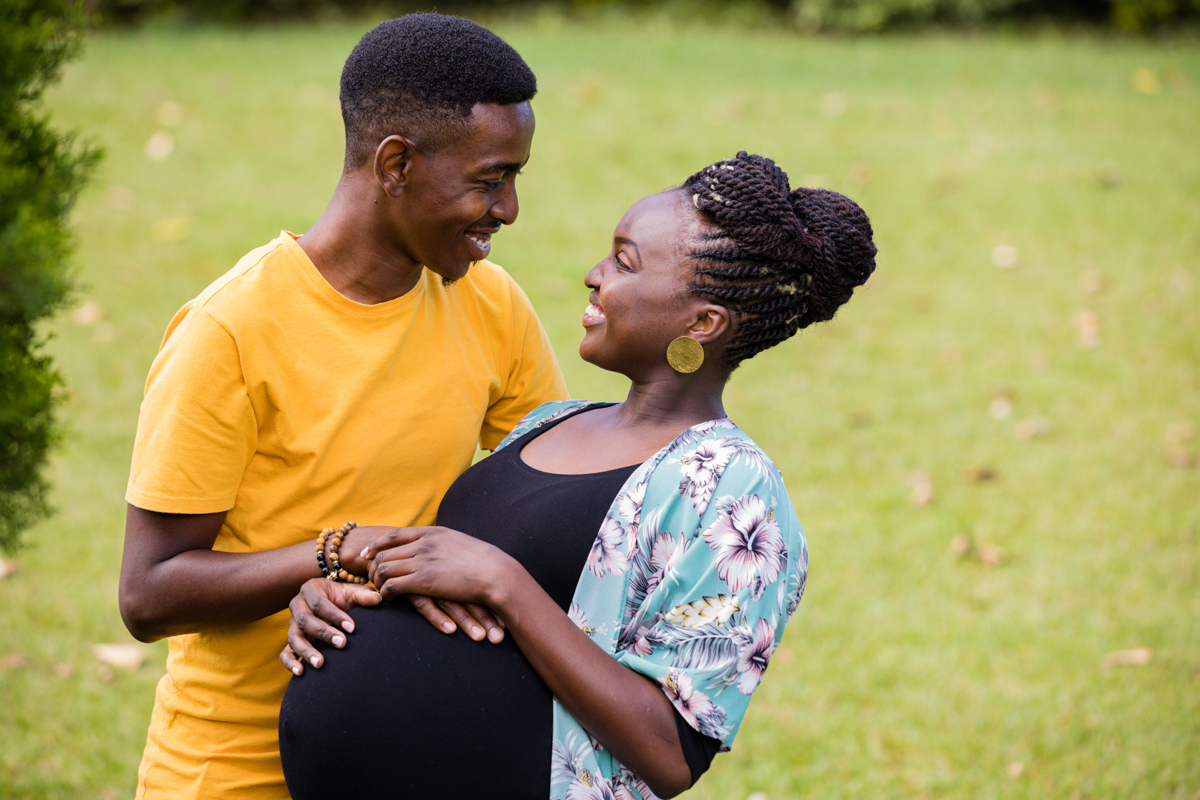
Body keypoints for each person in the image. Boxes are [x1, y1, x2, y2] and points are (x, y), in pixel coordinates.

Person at [277, 152, 877, 799]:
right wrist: (344, 595)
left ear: (701, 323)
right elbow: (452, 591)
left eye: (625, 261)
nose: (593, 276)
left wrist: (506, 584)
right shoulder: (548, 422)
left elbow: (671, 753)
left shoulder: (733, 489)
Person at [117, 15, 568, 800]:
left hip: (417, 751)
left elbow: (549, 495)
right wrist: (337, 552)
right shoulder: (230, 331)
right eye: (490, 179)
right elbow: (149, 591)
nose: (509, 209)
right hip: (239, 768)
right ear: (395, 163)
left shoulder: (493, 305)